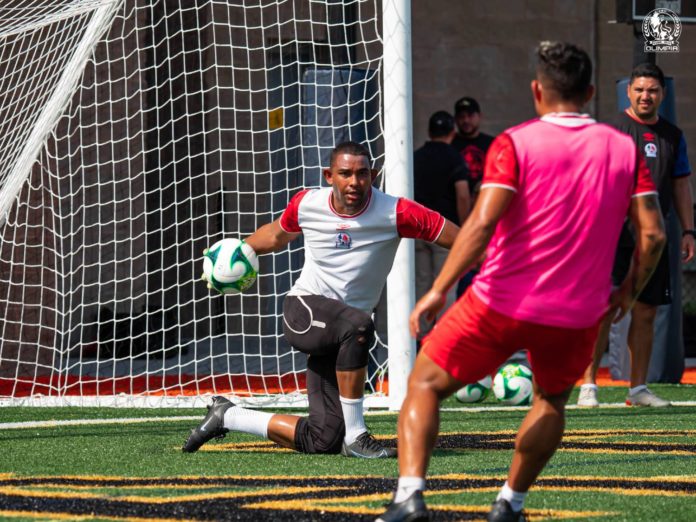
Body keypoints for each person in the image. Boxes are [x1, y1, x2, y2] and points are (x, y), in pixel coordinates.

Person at [376, 41, 666, 522]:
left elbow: (481, 224)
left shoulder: (513, 142)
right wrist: (626, 293)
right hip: (577, 314)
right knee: (551, 399)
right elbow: (653, 235)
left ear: (536, 91)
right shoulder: (623, 148)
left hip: (499, 304)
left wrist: (438, 289)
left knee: (423, 383)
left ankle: (410, 496)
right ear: (592, 92)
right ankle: (510, 502)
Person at [182, 141, 459, 459]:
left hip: (341, 333)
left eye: (362, 174)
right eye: (345, 174)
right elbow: (274, 235)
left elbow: (459, 239)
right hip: (304, 311)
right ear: (329, 175)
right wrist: (232, 257)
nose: (354, 182)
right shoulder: (307, 204)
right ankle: (357, 437)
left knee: (323, 440)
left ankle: (227, 415)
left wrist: (498, 257)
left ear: (374, 175)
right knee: (357, 325)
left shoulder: (397, 212)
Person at [577, 63, 694, 408]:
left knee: (646, 312)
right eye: (640, 89)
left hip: (653, 237)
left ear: (663, 94)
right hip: (611, 237)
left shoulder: (673, 136)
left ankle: (637, 389)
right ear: (628, 92)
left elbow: (681, 185)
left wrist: (689, 231)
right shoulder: (611, 132)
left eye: (653, 90)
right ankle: (588, 386)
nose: (646, 95)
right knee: (601, 310)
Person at [413, 111, 470, 337]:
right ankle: (445, 341)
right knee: (446, 288)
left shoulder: (416, 156)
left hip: (418, 231)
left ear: (429, 132)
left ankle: (419, 340)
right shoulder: (454, 157)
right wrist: (465, 231)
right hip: (445, 233)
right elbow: (463, 195)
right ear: (452, 133)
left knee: (421, 285)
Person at [451, 97, 495, 298]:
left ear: (479, 117)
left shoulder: (491, 144)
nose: (466, 120)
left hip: (486, 216)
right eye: (461, 117)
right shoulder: (451, 144)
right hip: (456, 218)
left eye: (470, 115)